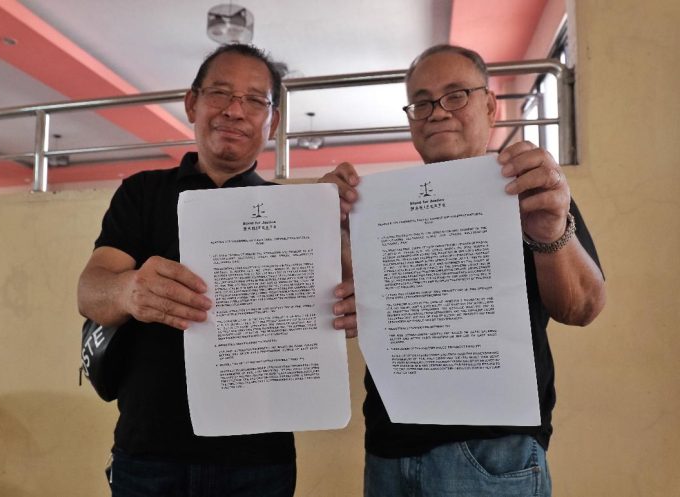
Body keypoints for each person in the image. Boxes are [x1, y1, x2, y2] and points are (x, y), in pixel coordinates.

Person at [322, 44, 606, 496]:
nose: (436, 112)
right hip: (388, 448)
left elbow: (584, 307)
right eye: (421, 101)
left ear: (491, 105)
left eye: (456, 95)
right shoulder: (378, 208)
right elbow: (347, 308)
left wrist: (551, 228)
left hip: (494, 452)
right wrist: (329, 228)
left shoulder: (533, 188)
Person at [77, 44, 296, 497]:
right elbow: (89, 291)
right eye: (220, 92)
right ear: (192, 103)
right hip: (149, 453)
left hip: (259, 458)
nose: (235, 110)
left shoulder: (291, 212)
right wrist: (128, 291)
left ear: (271, 122)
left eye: (255, 100)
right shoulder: (141, 193)